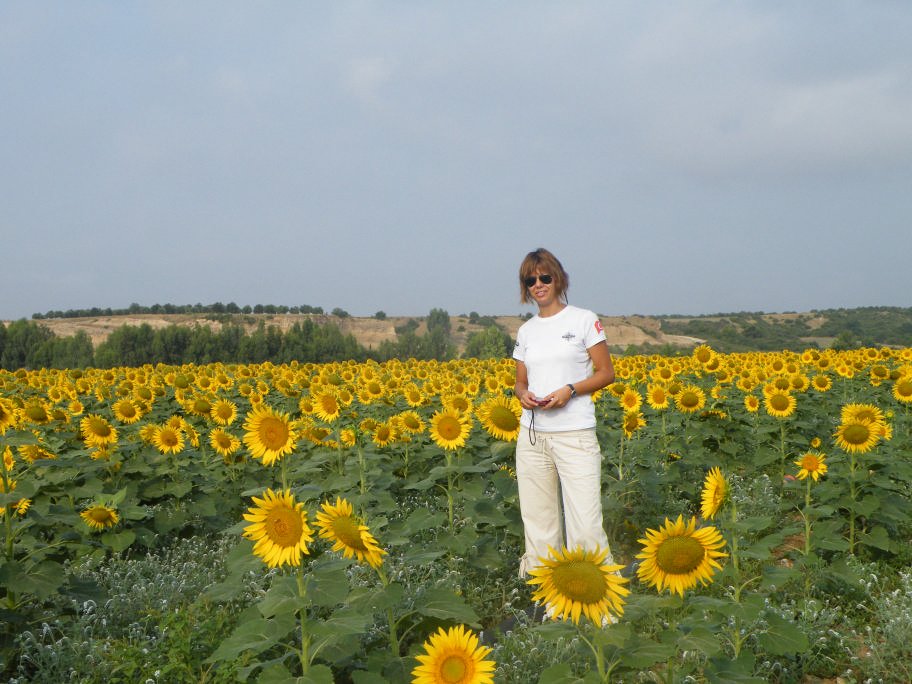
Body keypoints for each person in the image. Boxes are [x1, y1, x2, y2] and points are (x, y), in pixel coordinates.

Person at [512, 247, 616, 577]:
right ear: (526, 287)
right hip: (532, 437)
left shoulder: (584, 320)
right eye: (531, 279)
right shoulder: (526, 331)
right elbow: (520, 382)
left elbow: (605, 372)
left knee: (585, 524)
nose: (538, 284)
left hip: (574, 435)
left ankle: (602, 608)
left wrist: (570, 391)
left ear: (559, 279)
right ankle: (551, 605)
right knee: (540, 526)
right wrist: (524, 396)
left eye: (545, 277)